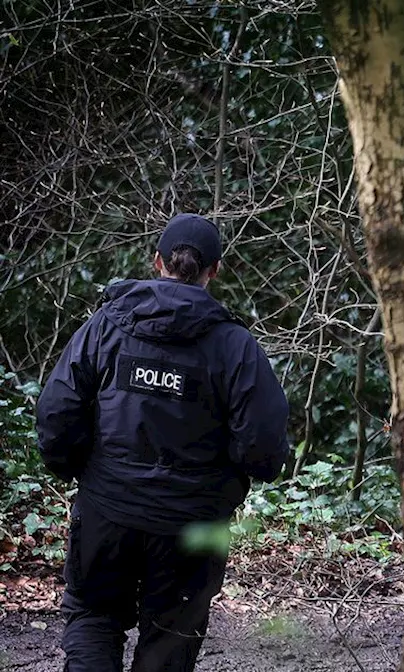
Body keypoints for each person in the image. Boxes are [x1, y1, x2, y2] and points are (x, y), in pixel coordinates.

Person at [34, 213, 290, 672]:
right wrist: (224, 484)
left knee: (94, 618)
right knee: (171, 637)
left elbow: (57, 409)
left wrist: (80, 472)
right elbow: (264, 446)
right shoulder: (235, 346)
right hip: (190, 527)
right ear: (216, 269)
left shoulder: (105, 327)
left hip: (106, 514)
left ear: (157, 262)